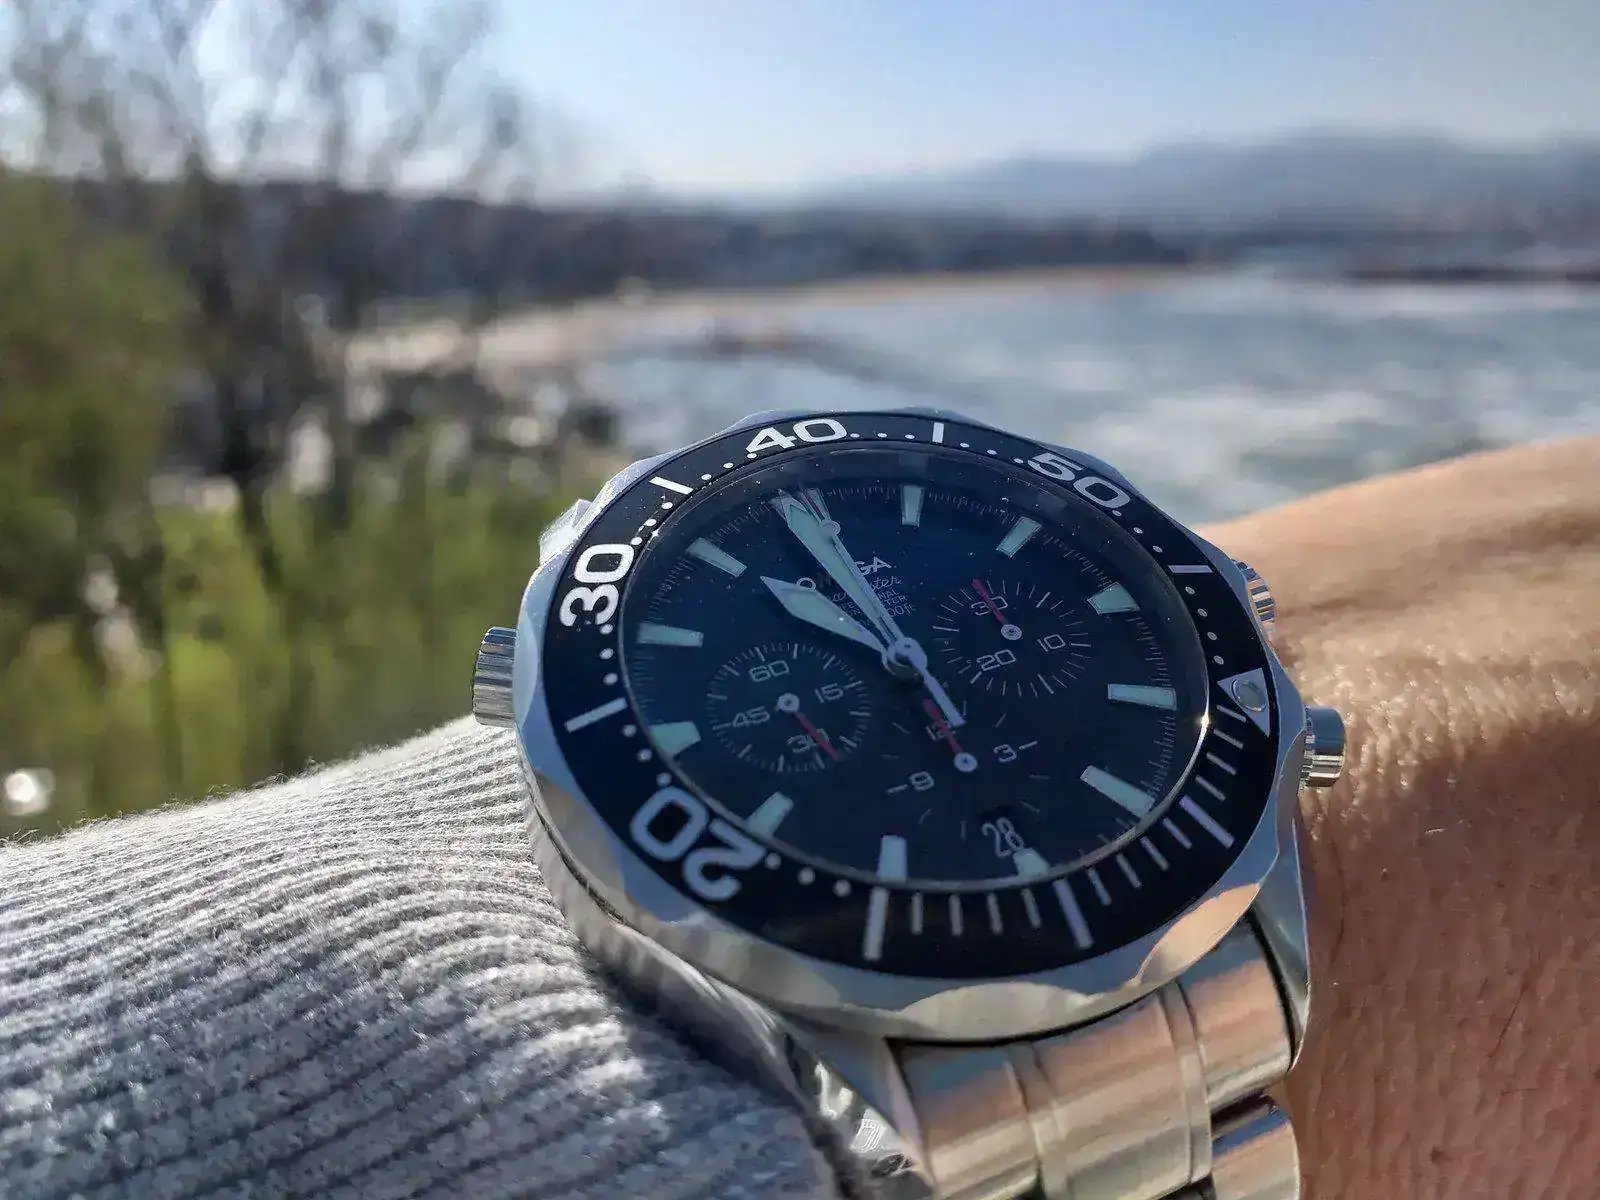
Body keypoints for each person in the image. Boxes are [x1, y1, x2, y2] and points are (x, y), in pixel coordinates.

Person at [1, 437, 1595, 1200]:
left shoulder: (1214, 715)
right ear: (519, 686)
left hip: (1206, 932)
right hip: (897, 1055)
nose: (914, 668)